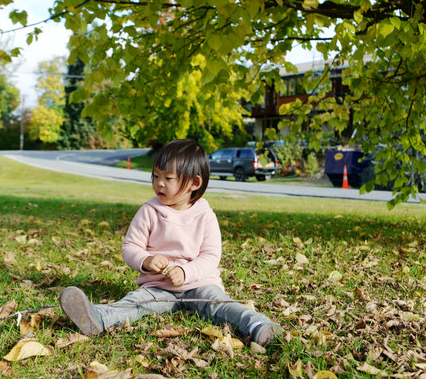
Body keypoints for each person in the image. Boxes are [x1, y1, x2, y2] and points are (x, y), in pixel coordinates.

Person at [59, 139, 282, 346]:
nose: (159, 184)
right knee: (136, 303)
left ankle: (258, 324)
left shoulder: (205, 215)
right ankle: (98, 317)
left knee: (220, 305)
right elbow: (130, 247)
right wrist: (146, 260)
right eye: (155, 176)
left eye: (168, 178)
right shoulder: (149, 211)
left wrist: (185, 272)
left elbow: (211, 256)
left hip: (200, 285)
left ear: (194, 183)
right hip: (158, 287)